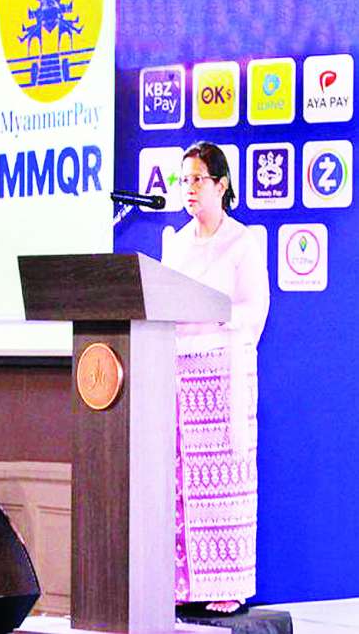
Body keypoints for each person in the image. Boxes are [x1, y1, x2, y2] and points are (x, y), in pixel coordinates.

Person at [162, 141, 269, 615]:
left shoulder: (243, 241)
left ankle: (227, 584)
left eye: (198, 179)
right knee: (181, 478)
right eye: (184, 180)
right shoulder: (175, 241)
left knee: (225, 481)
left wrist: (212, 314)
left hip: (224, 372)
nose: (190, 188)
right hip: (178, 371)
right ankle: (183, 582)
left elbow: (254, 308)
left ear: (221, 184)